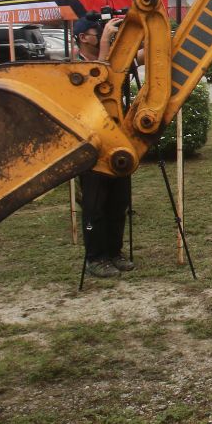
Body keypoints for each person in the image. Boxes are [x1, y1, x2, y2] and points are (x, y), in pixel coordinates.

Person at [74, 16, 134, 278]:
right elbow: (94, 80)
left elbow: (137, 59)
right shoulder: (73, 66)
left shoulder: (111, 58)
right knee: (94, 204)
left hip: (116, 139)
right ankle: (95, 257)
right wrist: (106, 45)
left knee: (118, 201)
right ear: (82, 38)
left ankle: (114, 251)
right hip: (90, 143)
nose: (100, 34)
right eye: (95, 32)